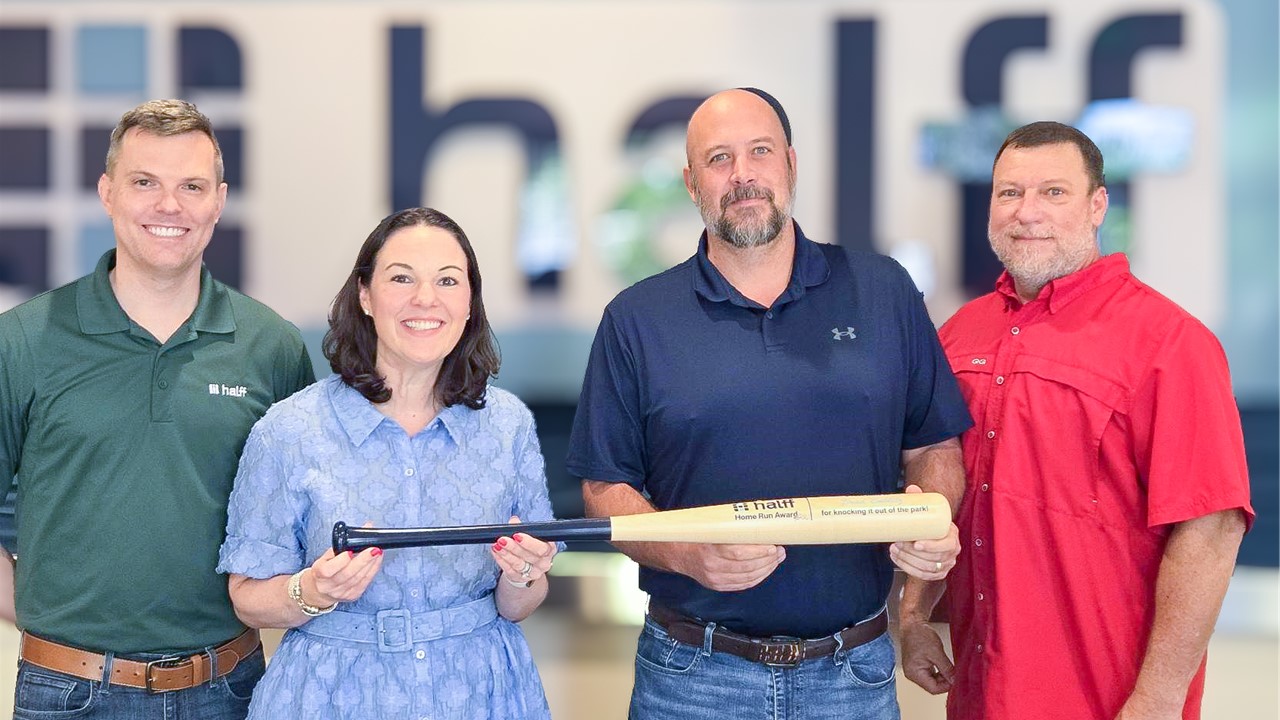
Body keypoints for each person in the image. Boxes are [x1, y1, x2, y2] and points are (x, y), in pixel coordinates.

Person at [565, 87, 972, 720]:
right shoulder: (636, 320)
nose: (742, 174)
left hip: (852, 675)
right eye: (718, 158)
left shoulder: (883, 291)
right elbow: (605, 489)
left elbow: (935, 447)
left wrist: (930, 528)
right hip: (692, 679)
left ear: (791, 164)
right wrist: (688, 555)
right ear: (691, 183)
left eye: (760, 151)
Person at [898, 121, 1254, 720]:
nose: (1027, 212)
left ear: (1097, 206)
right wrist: (914, 615)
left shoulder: (1171, 343)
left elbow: (1211, 530)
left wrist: (1158, 699)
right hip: (982, 693)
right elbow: (941, 496)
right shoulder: (961, 334)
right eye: (1010, 193)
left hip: (1106, 699)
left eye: (1054, 192)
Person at [0, 99, 315, 718]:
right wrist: (44, 615)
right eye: (145, 182)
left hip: (230, 688)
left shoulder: (271, 347)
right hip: (67, 692)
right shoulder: (23, 340)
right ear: (107, 193)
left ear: (218, 201)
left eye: (191, 186)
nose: (169, 206)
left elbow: (302, 526)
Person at [217, 207, 560, 719]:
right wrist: (313, 590)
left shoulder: (507, 425)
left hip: (478, 695)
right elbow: (246, 598)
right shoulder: (289, 430)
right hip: (331, 697)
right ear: (365, 295)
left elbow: (521, 603)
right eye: (402, 278)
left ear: (470, 303)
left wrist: (522, 575)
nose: (426, 299)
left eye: (448, 280)